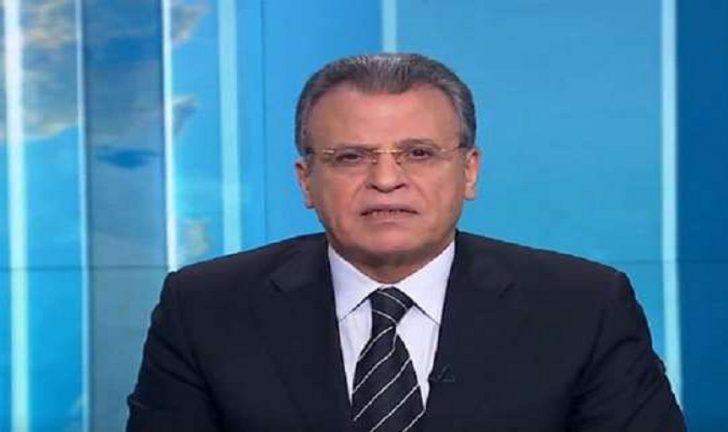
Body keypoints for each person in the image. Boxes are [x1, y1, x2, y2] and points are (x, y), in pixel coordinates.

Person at [127, 53, 685, 431]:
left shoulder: (582, 307)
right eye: (351, 157)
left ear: (469, 171)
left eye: (418, 153)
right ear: (306, 182)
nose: (386, 179)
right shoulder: (205, 308)